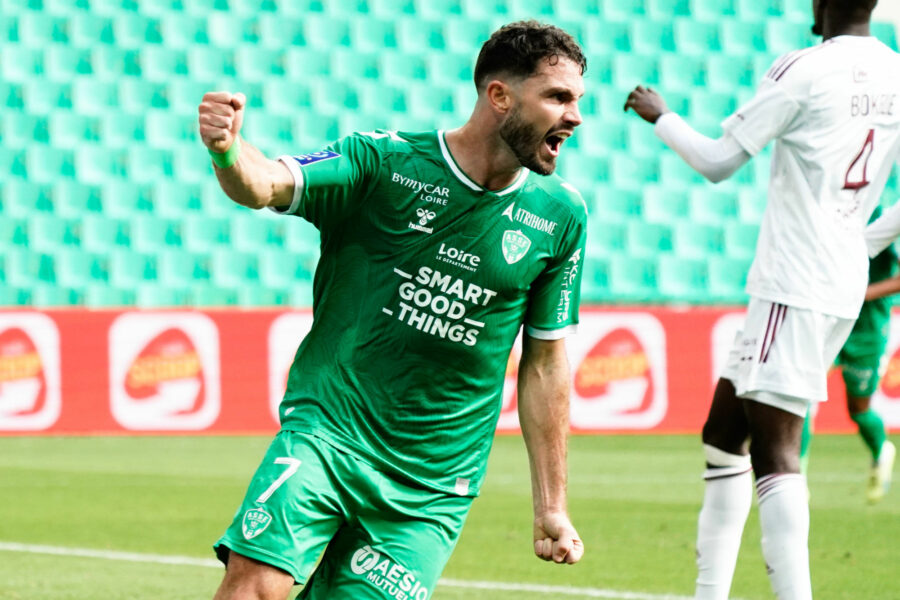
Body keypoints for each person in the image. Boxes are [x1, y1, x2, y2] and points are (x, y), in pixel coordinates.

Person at [198, 20, 588, 600]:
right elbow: (265, 185)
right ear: (500, 95)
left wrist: (551, 505)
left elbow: (545, 364)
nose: (575, 116)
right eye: (557, 97)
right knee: (253, 587)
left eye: (577, 100)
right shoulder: (383, 161)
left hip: (431, 490)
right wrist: (228, 150)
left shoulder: (561, 216)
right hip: (328, 438)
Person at [625, 0, 900, 598]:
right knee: (723, 434)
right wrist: (860, 240)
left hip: (794, 280)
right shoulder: (895, 73)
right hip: (836, 278)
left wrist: (662, 117)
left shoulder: (804, 68)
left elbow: (718, 161)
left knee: (776, 451)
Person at [800, 228, 897, 503]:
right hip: (829, 321)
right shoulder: (833, 216)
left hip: (867, 331)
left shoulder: (882, 220)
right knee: (802, 393)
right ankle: (795, 474)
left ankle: (880, 451)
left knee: (858, 410)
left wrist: (861, 293)